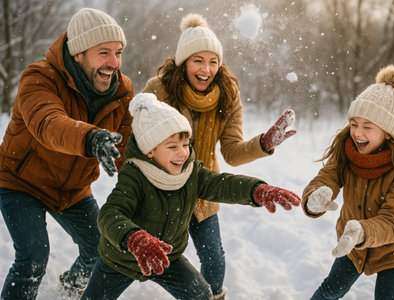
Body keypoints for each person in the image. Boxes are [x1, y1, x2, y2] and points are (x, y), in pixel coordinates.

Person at [80, 92, 301, 300]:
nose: (183, 152)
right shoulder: (135, 175)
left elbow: (222, 184)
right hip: (121, 259)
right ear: (150, 150)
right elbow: (110, 213)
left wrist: (256, 191)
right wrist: (134, 238)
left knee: (200, 294)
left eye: (185, 144)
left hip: (168, 257)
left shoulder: (191, 172)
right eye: (172, 146)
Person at [142, 13, 296, 299]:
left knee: (214, 261)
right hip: (161, 191)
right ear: (183, 62)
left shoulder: (227, 94)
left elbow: (232, 153)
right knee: (138, 260)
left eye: (213, 61)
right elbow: (140, 142)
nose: (206, 69)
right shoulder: (158, 90)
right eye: (198, 60)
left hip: (204, 191)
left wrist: (264, 143)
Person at [0, 7, 134, 299]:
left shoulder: (122, 91)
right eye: (103, 53)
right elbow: (48, 122)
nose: (114, 62)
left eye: (118, 52)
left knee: (101, 250)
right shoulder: (39, 78)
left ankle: (69, 292)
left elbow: (126, 151)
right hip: (21, 183)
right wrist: (91, 137)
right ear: (78, 54)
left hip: (72, 188)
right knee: (33, 258)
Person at [301, 65, 394, 300]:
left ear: (388, 132)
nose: (357, 133)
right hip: (351, 237)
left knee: (387, 297)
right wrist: (316, 195)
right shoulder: (347, 149)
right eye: (354, 123)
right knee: (330, 290)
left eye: (368, 126)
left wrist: (363, 232)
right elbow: (329, 174)